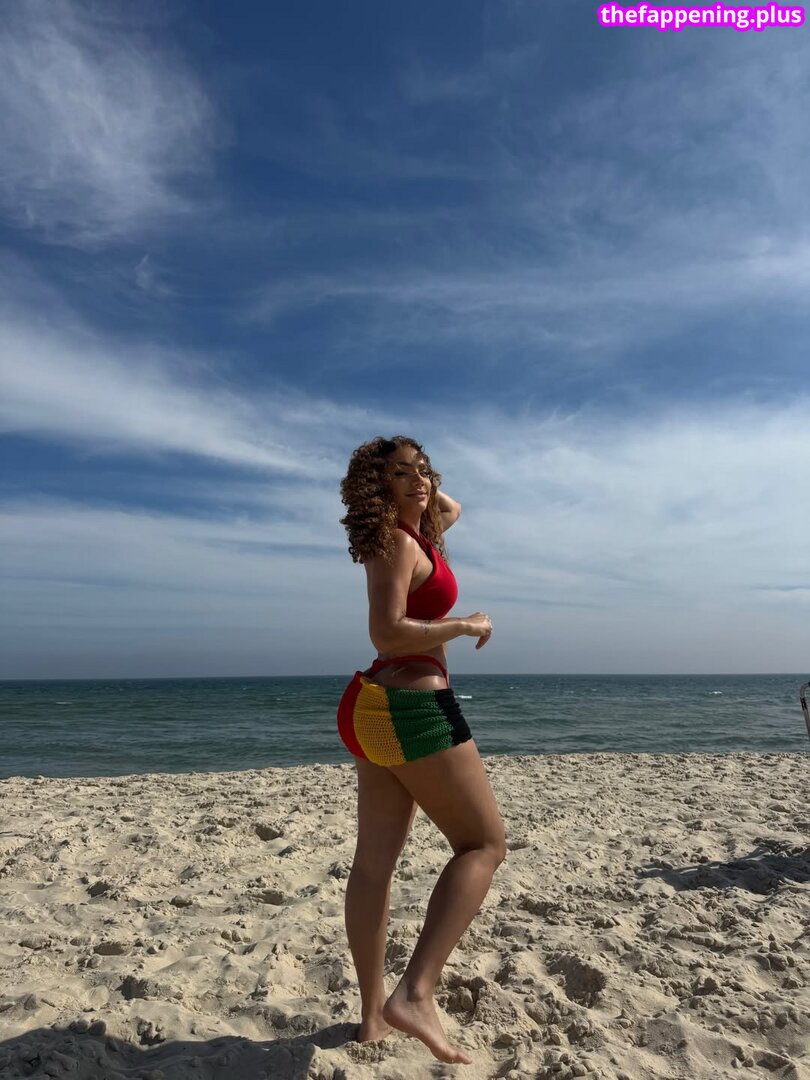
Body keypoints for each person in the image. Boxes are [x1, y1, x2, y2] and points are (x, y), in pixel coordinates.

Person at [337, 435, 507, 1066]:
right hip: (411, 709)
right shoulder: (396, 543)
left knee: (374, 865)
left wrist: (417, 480)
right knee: (483, 845)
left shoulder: (416, 533)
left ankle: (371, 1019)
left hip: (377, 708)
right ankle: (414, 993)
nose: (420, 482)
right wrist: (464, 625)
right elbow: (386, 631)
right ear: (375, 488)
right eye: (400, 474)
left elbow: (450, 507)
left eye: (424, 471)